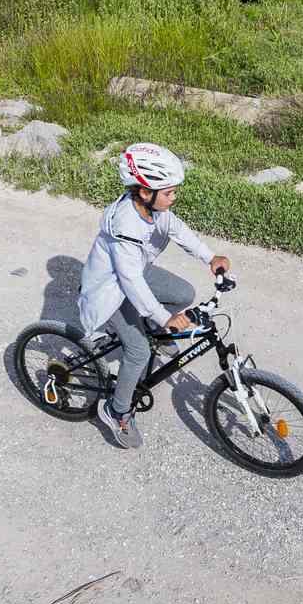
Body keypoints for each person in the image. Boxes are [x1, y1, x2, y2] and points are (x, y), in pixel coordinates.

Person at [77, 143, 231, 449]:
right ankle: (116, 411)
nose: (174, 197)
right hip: (111, 290)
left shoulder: (153, 209)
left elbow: (177, 230)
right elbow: (131, 282)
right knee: (138, 353)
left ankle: (152, 330)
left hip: (132, 275)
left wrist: (210, 257)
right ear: (145, 192)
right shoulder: (125, 225)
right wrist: (165, 318)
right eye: (169, 192)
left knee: (183, 292)